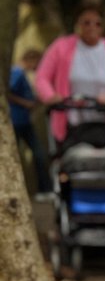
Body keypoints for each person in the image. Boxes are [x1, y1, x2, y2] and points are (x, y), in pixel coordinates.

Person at [35, 5, 105, 144]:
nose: (92, 27)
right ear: (78, 25)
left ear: (102, 27)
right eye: (86, 22)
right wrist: (51, 96)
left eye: (97, 24)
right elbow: (42, 77)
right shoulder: (60, 48)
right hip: (70, 123)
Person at [7, 48, 52, 195]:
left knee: (37, 154)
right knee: (29, 155)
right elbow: (8, 93)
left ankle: (44, 189)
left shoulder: (20, 73)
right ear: (32, 60)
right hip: (17, 121)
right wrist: (26, 103)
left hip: (24, 121)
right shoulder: (17, 73)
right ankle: (41, 189)